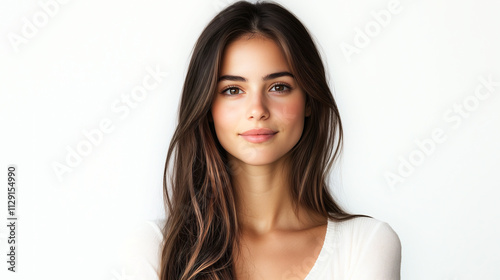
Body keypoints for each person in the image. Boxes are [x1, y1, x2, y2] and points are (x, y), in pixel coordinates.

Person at [123, 1, 401, 279]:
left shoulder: (366, 244)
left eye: (279, 87)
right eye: (233, 90)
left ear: (308, 102)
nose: (257, 109)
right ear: (207, 107)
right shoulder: (155, 247)